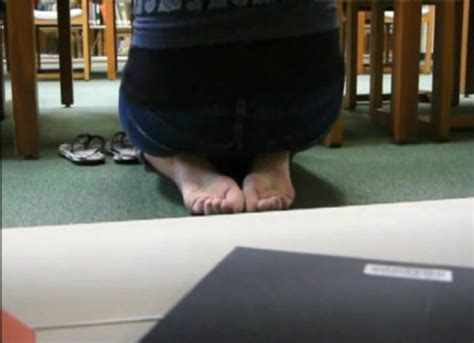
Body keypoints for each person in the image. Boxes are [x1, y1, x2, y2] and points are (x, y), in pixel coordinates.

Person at [119, 0, 344, 215]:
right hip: (304, 106)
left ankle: (183, 164)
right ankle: (276, 154)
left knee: (136, 111)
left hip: (170, 114)